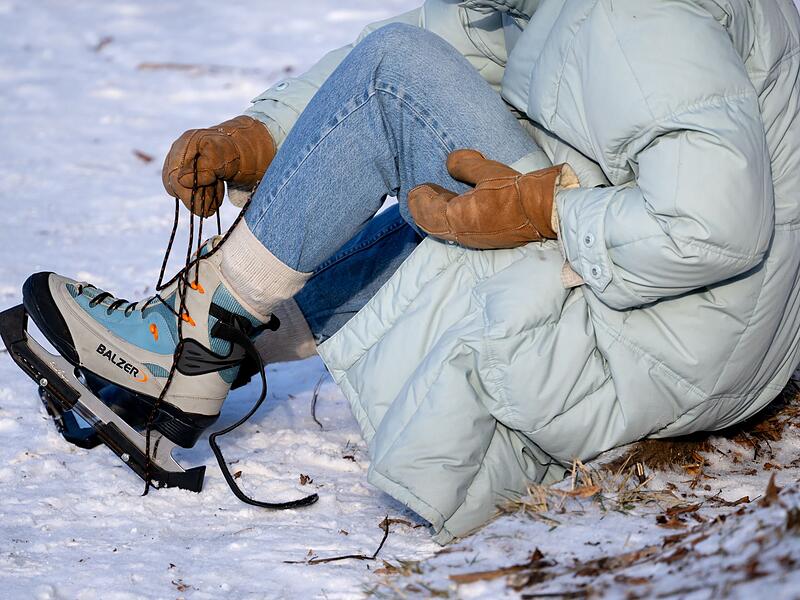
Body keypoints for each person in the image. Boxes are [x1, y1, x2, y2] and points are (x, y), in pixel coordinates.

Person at [23, 0, 800, 543]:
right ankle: (212, 345)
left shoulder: (638, 16)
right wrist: (260, 135)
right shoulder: (562, 9)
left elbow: (713, 226)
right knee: (422, 120)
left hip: (670, 337)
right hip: (718, 336)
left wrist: (546, 210)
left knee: (401, 83)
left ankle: (191, 346)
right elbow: (446, 40)